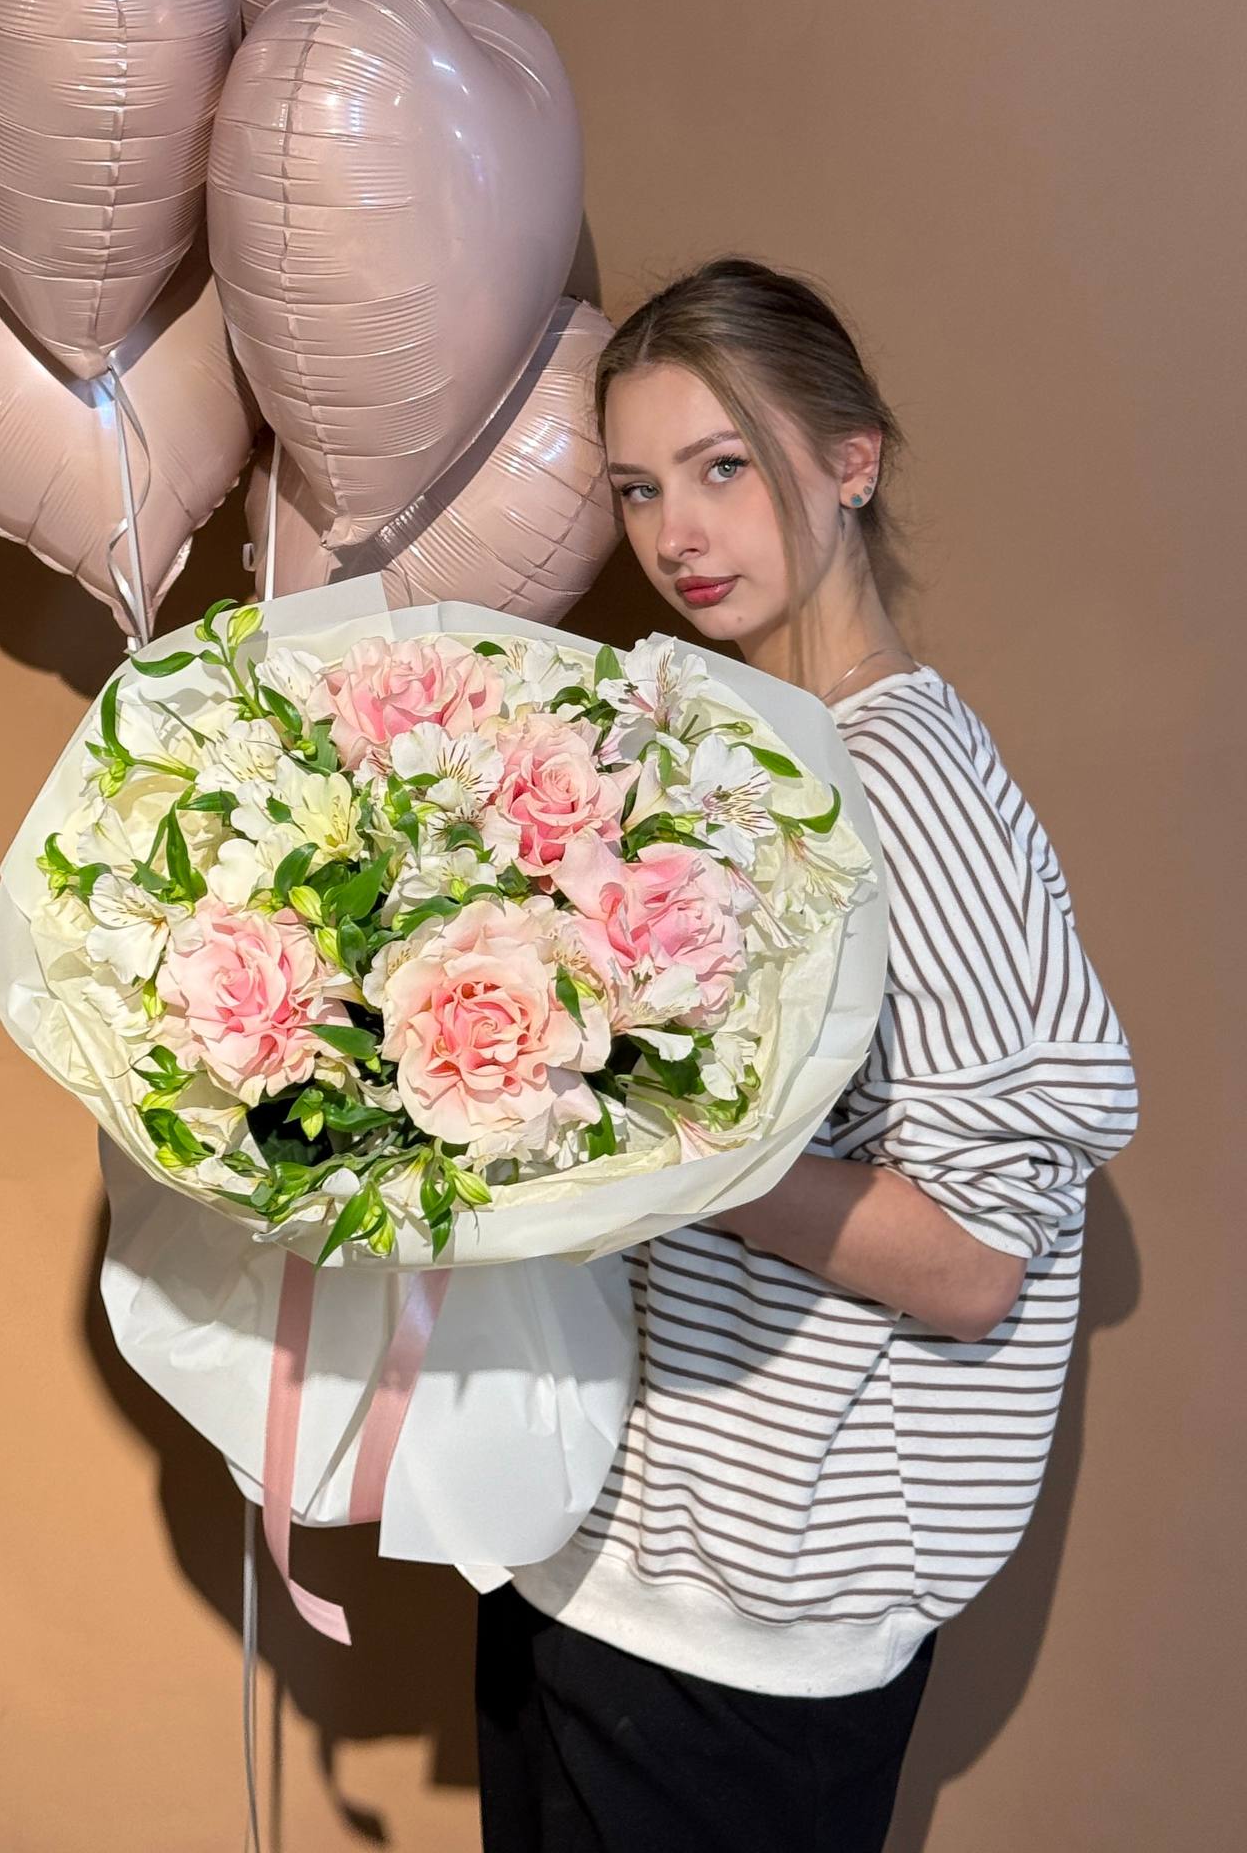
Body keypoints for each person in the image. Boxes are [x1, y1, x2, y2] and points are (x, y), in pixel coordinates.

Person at [475, 258, 1139, 1853]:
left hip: (749, 1632)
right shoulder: (724, 754)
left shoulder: (902, 780)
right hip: (590, 1563)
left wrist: (639, 1136)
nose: (676, 535)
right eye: (640, 488)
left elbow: (974, 1263)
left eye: (724, 467)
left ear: (852, 460)